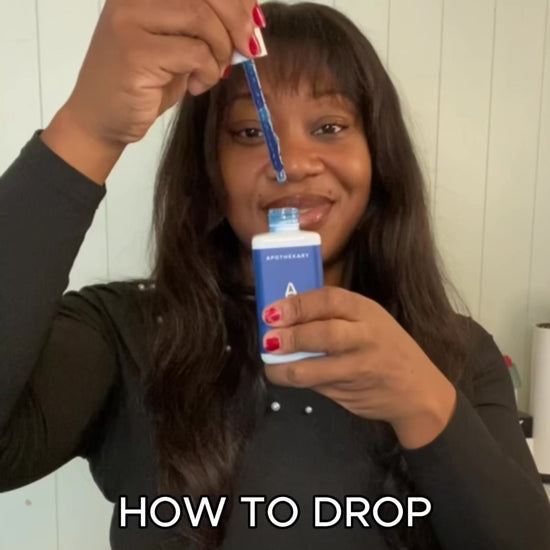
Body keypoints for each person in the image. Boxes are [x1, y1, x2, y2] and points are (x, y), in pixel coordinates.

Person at [1, 1, 549, 549]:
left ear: (378, 158)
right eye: (248, 132)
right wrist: (90, 128)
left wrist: (424, 403)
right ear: (208, 170)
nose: (291, 163)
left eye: (329, 127)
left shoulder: (460, 355)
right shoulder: (126, 334)